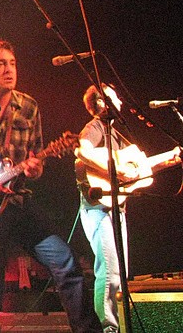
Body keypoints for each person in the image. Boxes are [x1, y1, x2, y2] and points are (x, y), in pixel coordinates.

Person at [0, 40, 101, 333]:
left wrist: (34, 168)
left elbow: (36, 163)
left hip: (18, 202)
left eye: (12, 63)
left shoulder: (28, 107)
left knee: (66, 262)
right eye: (0, 64)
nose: (9, 69)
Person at [75, 84, 129, 332]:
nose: (121, 102)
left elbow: (135, 169)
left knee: (119, 273)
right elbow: (82, 152)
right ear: (100, 103)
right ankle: (107, 329)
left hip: (116, 209)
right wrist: (115, 171)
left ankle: (117, 326)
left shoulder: (116, 135)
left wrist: (171, 157)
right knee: (109, 272)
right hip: (98, 208)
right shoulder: (94, 127)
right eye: (115, 97)